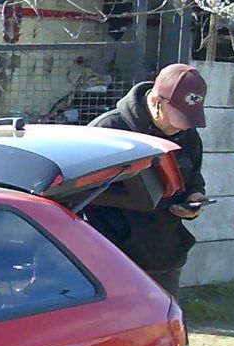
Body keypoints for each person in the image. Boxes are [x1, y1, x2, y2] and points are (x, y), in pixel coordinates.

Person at [87, 63, 208, 297]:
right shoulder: (108, 132)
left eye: (187, 118)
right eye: (175, 118)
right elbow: (78, 197)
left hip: (165, 256)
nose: (179, 127)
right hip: (114, 259)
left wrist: (194, 200)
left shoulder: (188, 135)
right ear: (154, 102)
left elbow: (194, 179)